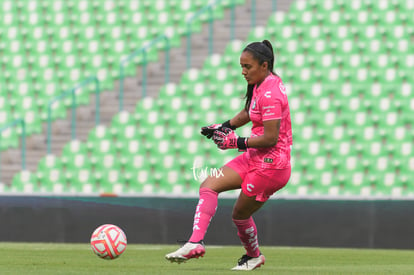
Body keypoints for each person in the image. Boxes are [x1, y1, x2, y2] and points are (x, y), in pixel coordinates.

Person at [165, 40, 292, 271]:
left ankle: (253, 257)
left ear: (264, 66)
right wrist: (224, 127)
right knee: (209, 185)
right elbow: (249, 111)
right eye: (241, 66)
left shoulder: (272, 93)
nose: (243, 72)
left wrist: (236, 141)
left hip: (272, 166)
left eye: (247, 67)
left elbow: (271, 138)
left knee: (239, 215)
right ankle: (195, 242)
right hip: (255, 157)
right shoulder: (261, 83)